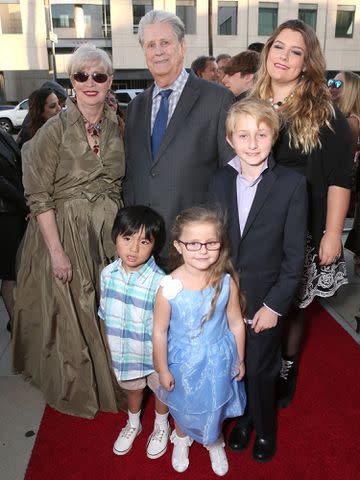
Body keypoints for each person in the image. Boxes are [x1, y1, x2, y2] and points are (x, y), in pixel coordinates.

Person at [13, 43, 126, 419]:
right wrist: (57, 253)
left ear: (110, 81)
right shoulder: (52, 133)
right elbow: (39, 197)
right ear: (71, 82)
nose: (90, 82)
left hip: (109, 234)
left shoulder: (115, 126)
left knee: (109, 310)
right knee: (76, 310)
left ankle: (117, 375)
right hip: (66, 234)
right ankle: (83, 384)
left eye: (99, 75)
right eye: (82, 75)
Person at [251, 20, 353, 409]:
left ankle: (286, 367)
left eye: (296, 52)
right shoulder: (249, 101)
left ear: (307, 62)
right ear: (268, 50)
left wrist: (331, 235)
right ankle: (257, 363)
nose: (285, 57)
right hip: (254, 225)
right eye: (280, 47)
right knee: (254, 299)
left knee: (289, 304)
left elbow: (340, 178)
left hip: (299, 229)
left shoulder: (324, 112)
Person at [209, 98, 308, 462]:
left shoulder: (291, 184)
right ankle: (245, 419)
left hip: (266, 300)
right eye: (244, 134)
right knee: (234, 364)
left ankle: (265, 430)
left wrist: (274, 306)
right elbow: (213, 241)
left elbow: (294, 257)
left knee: (263, 370)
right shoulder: (218, 180)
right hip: (226, 297)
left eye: (261, 134)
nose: (252, 143)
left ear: (274, 137)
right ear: (230, 138)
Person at [123, 10, 234, 259]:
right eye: (151, 45)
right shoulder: (135, 107)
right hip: (145, 249)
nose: (158, 51)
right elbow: (133, 175)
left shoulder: (216, 100)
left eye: (165, 42)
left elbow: (231, 174)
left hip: (195, 248)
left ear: (182, 46)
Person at [153, 207, 246, 476]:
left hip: (218, 359)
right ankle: (181, 437)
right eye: (193, 243)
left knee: (215, 403)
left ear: (221, 244)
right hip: (183, 362)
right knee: (184, 403)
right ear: (178, 246)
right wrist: (163, 369)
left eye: (210, 243)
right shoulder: (168, 286)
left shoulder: (226, 282)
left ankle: (214, 439)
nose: (202, 250)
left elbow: (236, 322)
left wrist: (240, 359)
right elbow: (159, 331)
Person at [98, 205, 171, 459]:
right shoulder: (107, 275)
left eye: (143, 241)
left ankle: (161, 426)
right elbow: (105, 313)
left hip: (154, 357)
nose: (134, 248)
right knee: (133, 390)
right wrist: (110, 345)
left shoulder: (160, 281)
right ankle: (133, 423)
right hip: (124, 352)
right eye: (127, 238)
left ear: (154, 245)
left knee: (162, 391)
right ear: (115, 237)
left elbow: (166, 326)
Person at [330, 72, 360, 275]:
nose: (332, 85)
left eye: (338, 83)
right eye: (331, 81)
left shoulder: (350, 122)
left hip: (342, 184)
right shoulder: (342, 119)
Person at [0, 130, 27, 333]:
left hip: (14, 212)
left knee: (15, 270)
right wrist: (25, 203)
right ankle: (16, 324)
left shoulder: (4, 135)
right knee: (9, 273)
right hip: (4, 214)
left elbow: (18, 168)